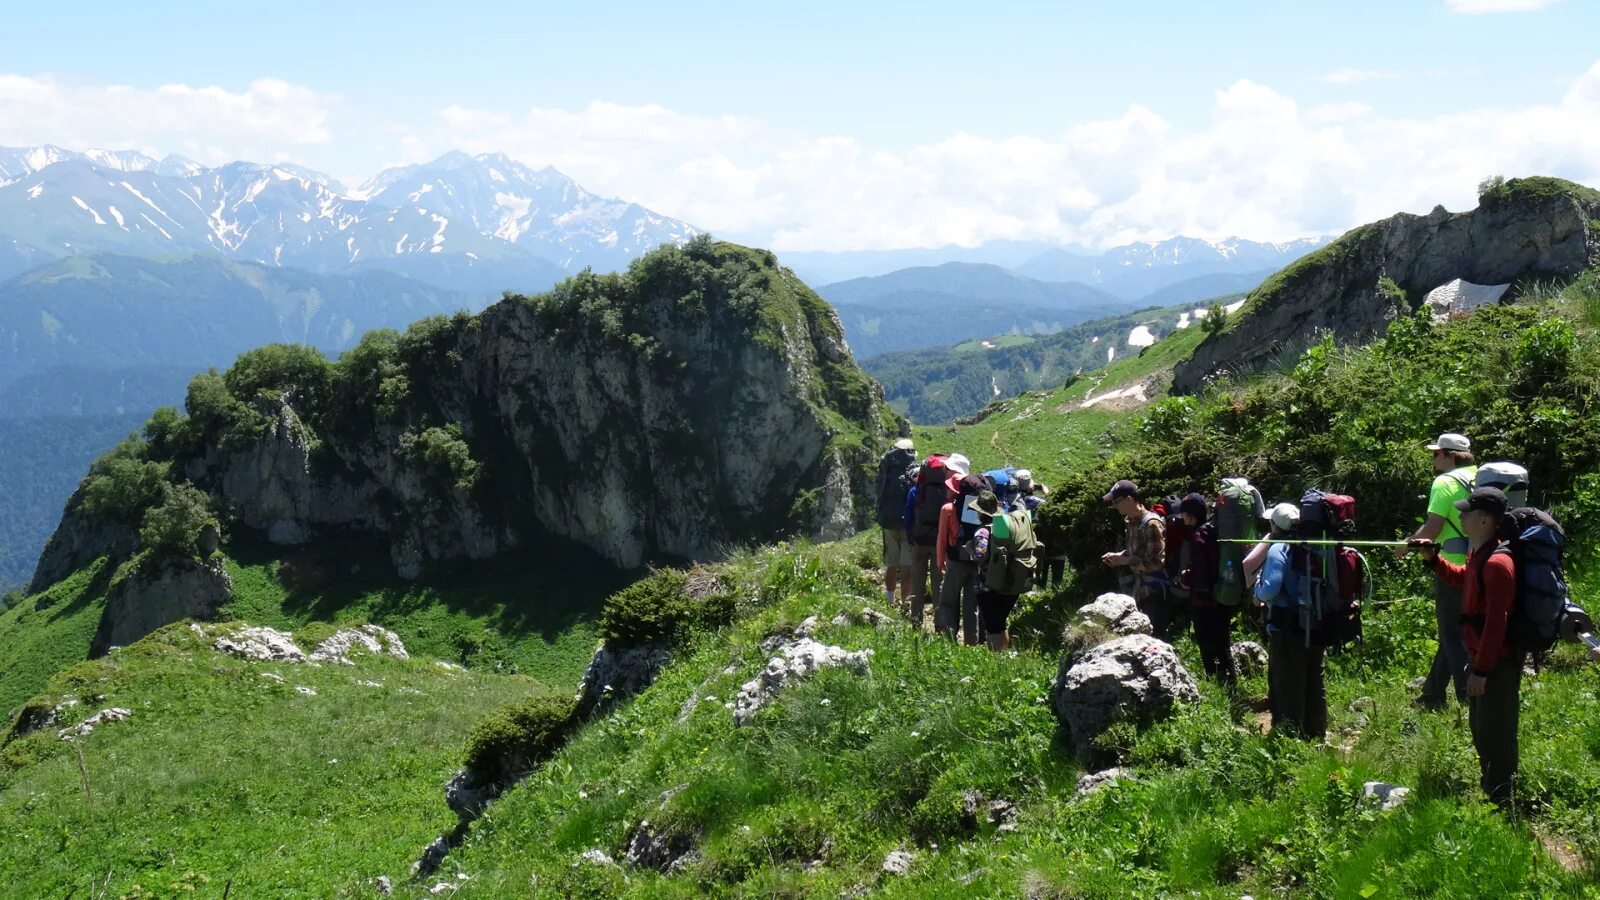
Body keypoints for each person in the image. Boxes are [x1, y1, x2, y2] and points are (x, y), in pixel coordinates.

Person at [1414, 487, 1522, 808]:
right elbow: (1464, 579)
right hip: (1479, 658)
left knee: (1495, 734)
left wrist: (1481, 670)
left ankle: (1503, 801)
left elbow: (1496, 624)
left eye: (1466, 513)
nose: (1460, 516)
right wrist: (1434, 560)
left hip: (1495, 664)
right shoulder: (1479, 553)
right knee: (1480, 727)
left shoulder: (1498, 563)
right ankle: (1492, 790)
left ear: (1485, 520)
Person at [1395, 432, 1478, 711]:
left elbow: (1432, 527)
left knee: (1452, 636)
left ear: (1449, 455)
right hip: (1482, 565)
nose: (1434, 459)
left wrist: (1405, 546)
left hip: (1452, 568)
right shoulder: (1480, 476)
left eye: (1436, 453)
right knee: (1456, 632)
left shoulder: (1444, 482)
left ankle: (1468, 699)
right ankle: (1432, 695)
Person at [1255, 530, 1326, 740]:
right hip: (1317, 623)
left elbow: (1270, 589)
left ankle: (1289, 737)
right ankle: (1317, 732)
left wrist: (1257, 593)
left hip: (1286, 626)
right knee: (1314, 678)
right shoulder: (1317, 545)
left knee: (1287, 681)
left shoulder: (1280, 548)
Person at [1177, 493, 1235, 684]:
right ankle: (1230, 683)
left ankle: (1220, 685)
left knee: (1209, 647)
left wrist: (1185, 579)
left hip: (1204, 602)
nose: (1183, 519)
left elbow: (1200, 573)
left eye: (1184, 514)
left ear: (1191, 515)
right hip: (1222, 597)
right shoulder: (1215, 531)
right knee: (1223, 644)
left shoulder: (1198, 536)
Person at [1100, 479, 1169, 638]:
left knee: (1154, 639)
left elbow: (1158, 562)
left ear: (1129, 500)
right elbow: (1138, 549)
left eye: (1116, 502)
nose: (1114, 506)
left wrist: (1126, 561)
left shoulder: (1151, 523)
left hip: (1153, 592)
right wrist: (1120, 555)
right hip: (1138, 590)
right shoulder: (1130, 522)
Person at [937, 464, 984, 645]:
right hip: (975, 563)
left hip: (955, 562)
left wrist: (940, 562)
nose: (946, 489)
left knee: (948, 601)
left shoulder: (948, 509)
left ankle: (949, 641)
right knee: (971, 607)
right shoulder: (977, 510)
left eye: (949, 487)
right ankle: (971, 644)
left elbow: (942, 538)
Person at [903, 454, 952, 628]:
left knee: (917, 584)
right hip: (939, 544)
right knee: (938, 586)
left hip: (919, 542)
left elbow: (908, 517)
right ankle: (940, 625)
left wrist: (911, 538)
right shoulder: (948, 492)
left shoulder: (916, 490)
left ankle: (916, 622)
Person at [874, 438, 918, 612]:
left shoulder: (886, 466)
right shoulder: (912, 468)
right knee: (907, 567)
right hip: (907, 524)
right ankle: (906, 605)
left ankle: (889, 601)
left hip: (887, 522)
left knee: (891, 564)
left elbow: (879, 493)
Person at [1245, 502, 1300, 587]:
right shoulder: (1301, 542)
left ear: (1274, 526)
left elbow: (1247, 565)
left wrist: (1257, 593)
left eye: (1271, 521)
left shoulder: (1277, 548)